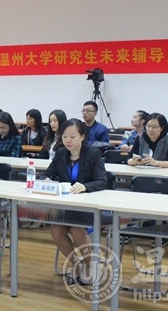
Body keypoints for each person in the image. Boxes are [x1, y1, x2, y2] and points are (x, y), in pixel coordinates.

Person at [40, 118, 107, 284]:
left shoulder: (93, 154)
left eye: (72, 136)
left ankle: (90, 266)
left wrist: (85, 186)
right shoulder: (60, 154)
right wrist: (46, 180)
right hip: (67, 207)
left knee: (77, 230)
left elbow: (102, 181)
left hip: (88, 208)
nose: (68, 140)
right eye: (64, 136)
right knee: (56, 230)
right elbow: (47, 174)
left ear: (82, 137)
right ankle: (76, 264)